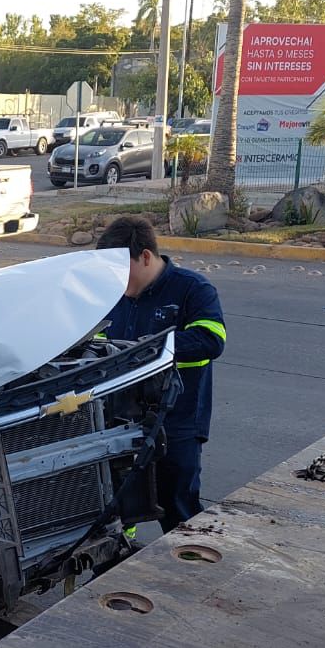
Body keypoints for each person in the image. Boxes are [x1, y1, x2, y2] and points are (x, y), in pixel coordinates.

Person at [95, 216, 226, 532]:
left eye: (120, 269)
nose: (114, 279)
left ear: (145, 257)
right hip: (120, 422)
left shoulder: (192, 289)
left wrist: (144, 348)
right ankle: (115, 566)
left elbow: (211, 340)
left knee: (178, 509)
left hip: (177, 423)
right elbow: (95, 350)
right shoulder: (112, 296)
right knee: (119, 507)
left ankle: (187, 575)